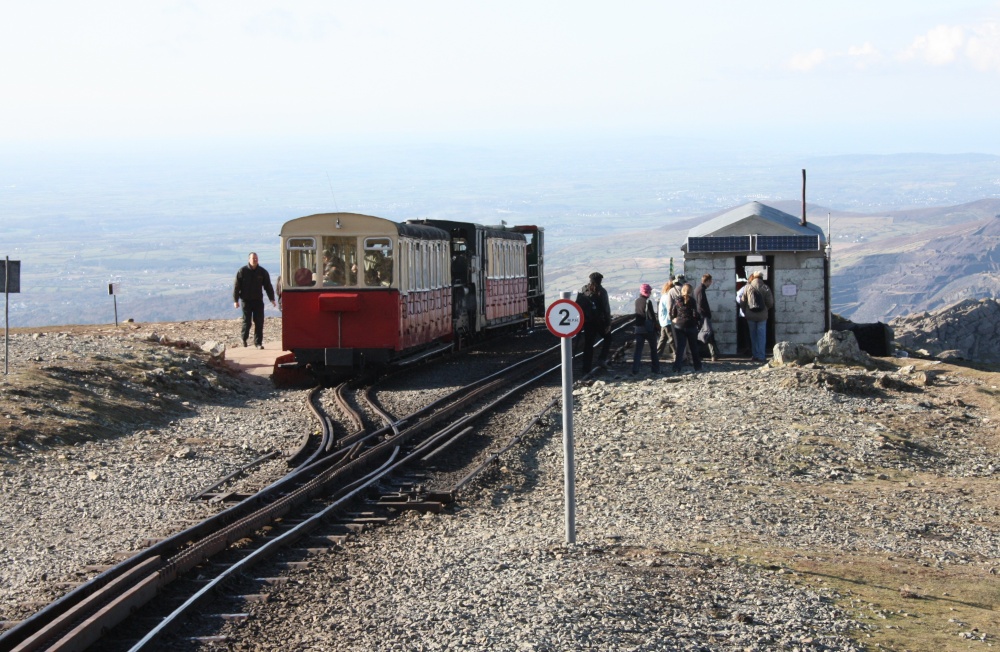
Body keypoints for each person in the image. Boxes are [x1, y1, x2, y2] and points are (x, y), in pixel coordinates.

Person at [233, 252, 276, 349]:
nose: (255, 260)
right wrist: (236, 300)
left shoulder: (262, 272)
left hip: (258, 301)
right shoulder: (242, 271)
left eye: (256, 258)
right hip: (246, 300)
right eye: (253, 258)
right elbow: (236, 287)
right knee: (247, 321)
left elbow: (268, 286)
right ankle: (244, 338)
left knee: (259, 322)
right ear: (249, 259)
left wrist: (272, 299)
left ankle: (258, 343)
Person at [575, 271, 612, 374]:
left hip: (587, 322)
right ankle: (601, 359)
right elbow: (606, 309)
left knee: (588, 345)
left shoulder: (584, 289)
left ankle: (586, 368)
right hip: (599, 321)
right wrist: (608, 323)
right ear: (600, 280)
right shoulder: (602, 291)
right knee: (608, 338)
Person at [738, 271, 774, 362]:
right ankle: (761, 356)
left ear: (753, 277)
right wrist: (765, 309)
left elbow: (742, 302)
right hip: (762, 316)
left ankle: (755, 355)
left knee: (753, 336)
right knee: (761, 336)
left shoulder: (747, 287)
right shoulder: (765, 287)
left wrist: (745, 311)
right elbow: (770, 303)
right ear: (762, 278)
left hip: (750, 315)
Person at [669, 283, 703, 373]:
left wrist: (675, 319)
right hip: (691, 326)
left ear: (682, 291)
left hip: (679, 325)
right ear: (691, 291)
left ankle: (677, 367)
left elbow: (673, 313)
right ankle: (697, 366)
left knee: (680, 347)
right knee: (693, 347)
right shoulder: (692, 301)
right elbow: (695, 314)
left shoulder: (677, 300)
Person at [631, 283, 660, 375]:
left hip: (639, 328)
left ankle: (635, 369)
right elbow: (651, 316)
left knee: (638, 350)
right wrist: (656, 326)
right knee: (653, 350)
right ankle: (655, 369)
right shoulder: (648, 302)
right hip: (648, 329)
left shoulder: (637, 301)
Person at [694, 273, 718, 362]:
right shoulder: (701, 290)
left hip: (700, 316)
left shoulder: (698, 289)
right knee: (708, 334)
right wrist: (706, 315)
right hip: (703, 317)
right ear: (707, 281)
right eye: (710, 281)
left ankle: (710, 354)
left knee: (704, 335)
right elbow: (701, 305)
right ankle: (713, 355)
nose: (710, 283)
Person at [656, 279, 675, 358]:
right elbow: (669, 308)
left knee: (663, 338)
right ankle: (677, 354)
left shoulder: (663, 296)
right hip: (667, 321)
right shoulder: (668, 297)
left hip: (663, 321)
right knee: (672, 338)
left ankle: (657, 354)